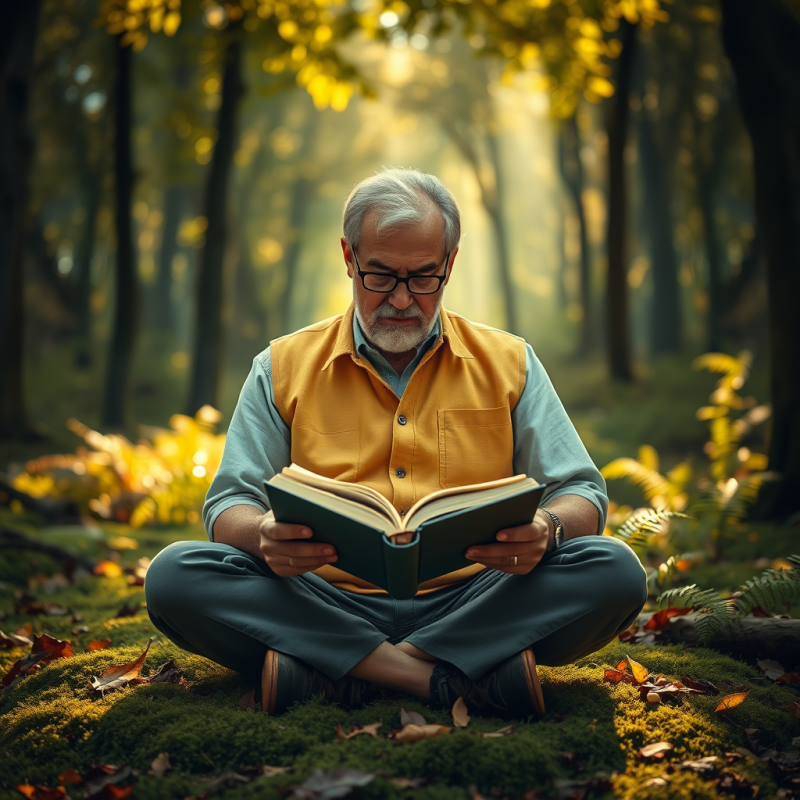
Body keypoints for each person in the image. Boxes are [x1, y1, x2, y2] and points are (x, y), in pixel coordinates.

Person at [145, 168, 647, 720]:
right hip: (320, 599)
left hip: (480, 598)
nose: (402, 300)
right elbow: (227, 503)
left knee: (614, 569)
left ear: (450, 264)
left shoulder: (509, 362)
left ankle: (333, 673)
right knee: (175, 576)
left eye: (424, 278)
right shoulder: (281, 366)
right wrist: (264, 535)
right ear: (348, 256)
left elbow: (580, 490)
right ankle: (445, 677)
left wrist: (547, 532)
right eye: (380, 276)